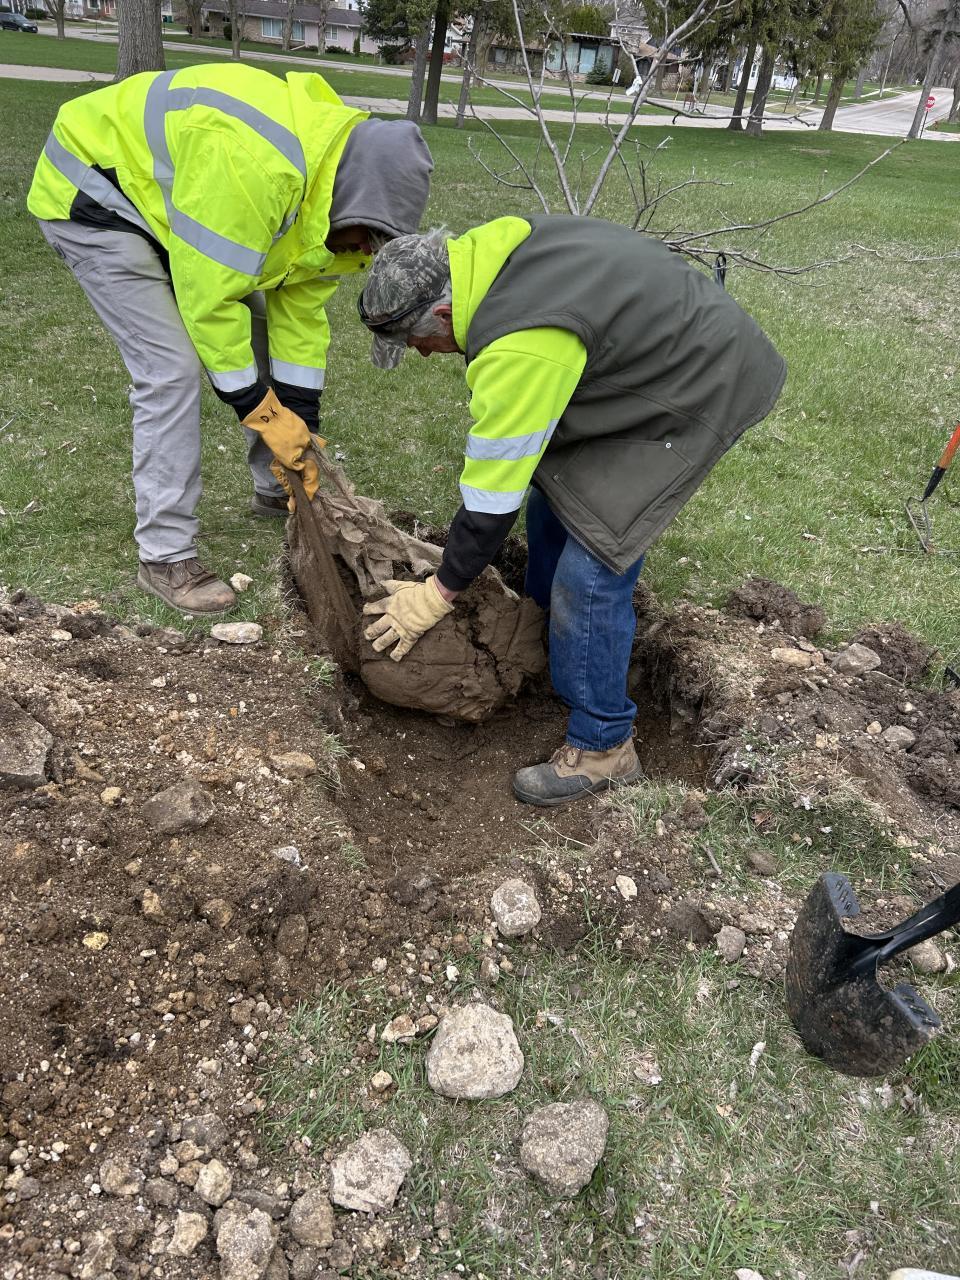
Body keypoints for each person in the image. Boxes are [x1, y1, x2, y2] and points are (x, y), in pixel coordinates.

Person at [356, 216, 787, 806]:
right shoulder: (487, 255)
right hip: (642, 355)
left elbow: (490, 502)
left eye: (415, 343)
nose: (424, 355)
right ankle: (544, 643)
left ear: (444, 313)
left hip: (694, 379)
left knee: (592, 567)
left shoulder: (520, 344)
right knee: (554, 503)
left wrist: (438, 593)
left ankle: (604, 746)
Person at [27, 64, 433, 615]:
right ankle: (165, 555)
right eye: (365, 238)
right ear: (350, 197)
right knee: (169, 369)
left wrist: (300, 423)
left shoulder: (337, 205)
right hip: (96, 191)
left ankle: (277, 485)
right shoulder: (254, 168)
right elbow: (210, 302)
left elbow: (299, 311)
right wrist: (262, 413)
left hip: (178, 200)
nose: (363, 252)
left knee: (260, 327)